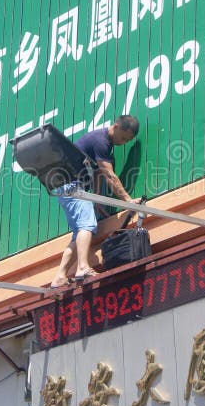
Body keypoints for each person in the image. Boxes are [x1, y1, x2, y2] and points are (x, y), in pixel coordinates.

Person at [51, 115, 141, 287]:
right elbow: (109, 174)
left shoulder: (105, 148)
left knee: (79, 233)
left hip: (66, 186)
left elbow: (98, 173)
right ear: (116, 126)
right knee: (87, 226)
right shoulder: (101, 141)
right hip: (73, 184)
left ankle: (60, 276)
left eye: (127, 141)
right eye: (123, 137)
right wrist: (128, 200)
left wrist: (97, 199)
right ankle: (83, 267)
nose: (123, 142)